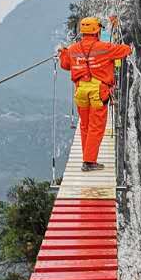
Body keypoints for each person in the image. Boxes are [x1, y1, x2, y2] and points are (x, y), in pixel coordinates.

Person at [58, 18, 133, 171]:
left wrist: (63, 52)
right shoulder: (105, 48)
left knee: (85, 125)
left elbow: (65, 65)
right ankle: (89, 162)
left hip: (80, 91)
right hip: (98, 91)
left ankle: (87, 157)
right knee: (96, 127)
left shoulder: (73, 49)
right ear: (97, 31)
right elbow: (125, 50)